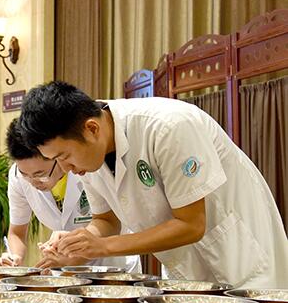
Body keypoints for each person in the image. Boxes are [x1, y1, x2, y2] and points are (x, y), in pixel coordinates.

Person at [18, 81, 287, 288]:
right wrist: (82, 240)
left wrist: (103, 247)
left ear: (92, 129)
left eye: (64, 156)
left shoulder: (168, 127)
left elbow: (191, 224)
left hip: (242, 255)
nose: (66, 170)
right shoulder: (90, 154)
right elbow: (106, 219)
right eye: (57, 160)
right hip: (187, 268)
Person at [0, 119, 141, 272]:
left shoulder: (86, 166)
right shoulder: (18, 176)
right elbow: (17, 232)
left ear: (55, 156)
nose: (34, 182)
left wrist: (75, 248)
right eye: (25, 175)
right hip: (64, 268)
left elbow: (110, 222)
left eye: (40, 174)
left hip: (111, 265)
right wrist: (14, 257)